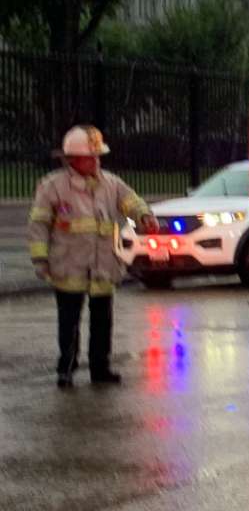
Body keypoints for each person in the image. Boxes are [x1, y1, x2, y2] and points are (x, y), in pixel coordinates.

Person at [28, 125, 158, 388]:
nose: (96, 161)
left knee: (102, 320)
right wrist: (40, 260)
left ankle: (101, 368)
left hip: (102, 266)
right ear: (72, 160)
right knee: (69, 321)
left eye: (98, 156)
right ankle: (66, 369)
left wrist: (144, 216)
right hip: (69, 265)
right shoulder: (53, 186)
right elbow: (39, 224)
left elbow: (131, 201)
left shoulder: (110, 183)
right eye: (91, 157)